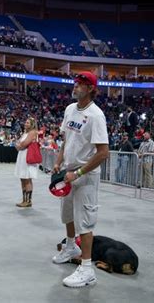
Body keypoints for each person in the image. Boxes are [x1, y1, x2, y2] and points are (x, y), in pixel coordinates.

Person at [52, 71, 109, 288]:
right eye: (75, 83)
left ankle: (87, 269)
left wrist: (78, 173)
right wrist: (59, 160)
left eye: (81, 84)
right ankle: (70, 248)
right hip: (68, 171)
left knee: (84, 222)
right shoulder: (69, 110)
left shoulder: (96, 115)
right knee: (67, 214)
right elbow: (67, 139)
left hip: (85, 175)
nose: (75, 86)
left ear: (91, 89)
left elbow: (103, 152)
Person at [14, 117, 39, 208]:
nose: (26, 124)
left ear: (32, 124)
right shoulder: (25, 132)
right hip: (22, 156)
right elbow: (18, 143)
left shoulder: (33, 132)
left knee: (27, 178)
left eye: (28, 123)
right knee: (22, 177)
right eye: (26, 122)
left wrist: (19, 145)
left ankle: (28, 201)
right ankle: (24, 200)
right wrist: (19, 145)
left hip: (28, 157)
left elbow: (24, 144)